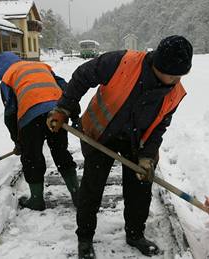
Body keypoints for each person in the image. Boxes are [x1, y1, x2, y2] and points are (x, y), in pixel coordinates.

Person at [47, 35, 193, 258]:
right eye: (170, 74)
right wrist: (64, 108)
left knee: (141, 186)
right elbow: (82, 76)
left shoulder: (175, 92)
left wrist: (146, 157)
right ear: (157, 64)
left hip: (138, 140)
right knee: (92, 187)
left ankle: (135, 234)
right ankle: (85, 238)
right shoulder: (122, 62)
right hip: (99, 134)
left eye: (179, 75)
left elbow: (160, 126)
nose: (174, 80)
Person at [0, 51, 79, 211]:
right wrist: (74, 114)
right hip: (57, 111)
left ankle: (36, 200)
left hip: (31, 114)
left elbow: (10, 113)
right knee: (60, 151)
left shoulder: (7, 78)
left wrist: (18, 141)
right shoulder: (41, 66)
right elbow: (65, 87)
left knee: (32, 156)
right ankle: (77, 196)